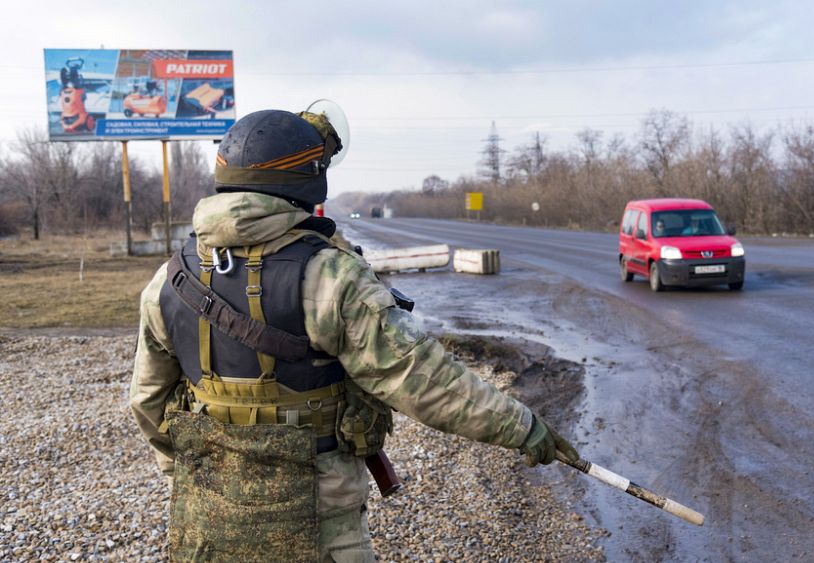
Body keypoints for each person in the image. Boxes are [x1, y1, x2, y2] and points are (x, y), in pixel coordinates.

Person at [129, 109, 578, 562]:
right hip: (322, 521)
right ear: (307, 179)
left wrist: (186, 475)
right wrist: (521, 426)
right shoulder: (331, 277)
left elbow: (147, 402)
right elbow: (421, 377)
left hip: (209, 518)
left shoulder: (168, 280)